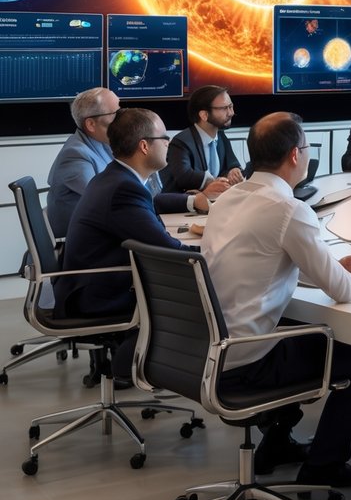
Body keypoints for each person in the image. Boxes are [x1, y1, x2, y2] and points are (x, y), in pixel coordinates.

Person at [202, 112, 351, 486]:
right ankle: (325, 464)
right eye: (307, 147)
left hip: (216, 348)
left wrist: (329, 264)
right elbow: (344, 292)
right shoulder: (288, 209)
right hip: (250, 360)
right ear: (295, 156)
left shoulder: (231, 198)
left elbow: (261, 263)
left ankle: (276, 445)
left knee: (309, 330)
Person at [55, 109, 200, 377]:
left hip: (89, 285)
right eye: (164, 138)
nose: (169, 143)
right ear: (144, 146)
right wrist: (215, 252)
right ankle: (155, 368)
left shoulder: (116, 178)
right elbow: (169, 251)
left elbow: (148, 205)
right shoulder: (123, 188)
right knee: (202, 287)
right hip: (99, 295)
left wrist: (192, 201)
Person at [46, 88, 207, 238]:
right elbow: (122, 201)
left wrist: (190, 201)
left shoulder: (105, 144)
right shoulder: (75, 155)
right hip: (91, 247)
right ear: (91, 124)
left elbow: (141, 195)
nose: (122, 118)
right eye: (115, 113)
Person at [161, 85, 244, 198]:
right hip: (183, 209)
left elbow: (231, 163)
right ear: (204, 115)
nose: (231, 113)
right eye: (224, 108)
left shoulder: (220, 135)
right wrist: (212, 181)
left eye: (231, 106)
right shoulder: (181, 142)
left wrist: (233, 170)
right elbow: (183, 176)